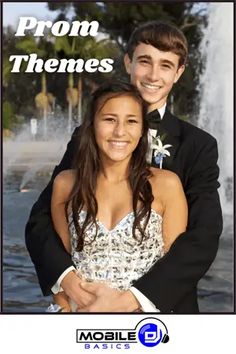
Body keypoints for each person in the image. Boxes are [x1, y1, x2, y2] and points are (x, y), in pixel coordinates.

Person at [25, 21, 222, 313]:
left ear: (179, 73)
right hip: (84, 304)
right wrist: (67, 281)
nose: (154, 75)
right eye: (144, 61)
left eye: (166, 65)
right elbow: (41, 220)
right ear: (128, 62)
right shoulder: (87, 136)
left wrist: (132, 300)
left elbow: (203, 234)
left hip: (161, 312)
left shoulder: (198, 145)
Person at [50, 81, 187, 312]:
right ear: (92, 125)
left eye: (131, 121)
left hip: (145, 327)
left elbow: (174, 270)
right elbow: (62, 271)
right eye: (109, 119)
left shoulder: (167, 185)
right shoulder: (65, 184)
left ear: (142, 129)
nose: (120, 131)